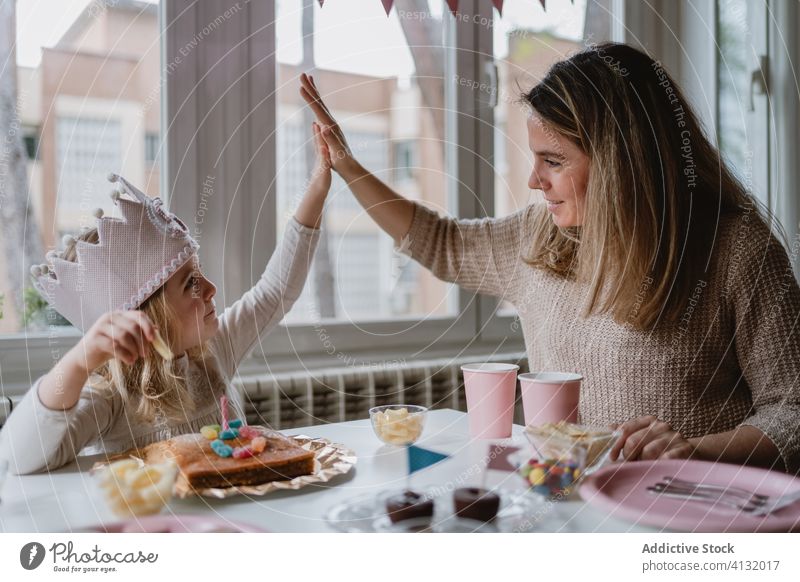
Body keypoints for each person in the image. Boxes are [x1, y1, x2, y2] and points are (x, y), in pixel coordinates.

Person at [299, 42, 800, 474]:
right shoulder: (542, 235)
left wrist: (695, 452)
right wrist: (347, 164)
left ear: (621, 165)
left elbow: (792, 410)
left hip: (686, 519)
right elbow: (441, 242)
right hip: (571, 509)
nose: (534, 181)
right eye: (535, 159)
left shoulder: (737, 250)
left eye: (554, 161)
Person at [0, 123, 333, 475]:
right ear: (148, 315)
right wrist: (78, 362)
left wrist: (318, 186)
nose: (210, 288)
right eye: (191, 282)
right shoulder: (111, 397)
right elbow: (16, 458)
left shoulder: (213, 352)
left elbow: (275, 290)